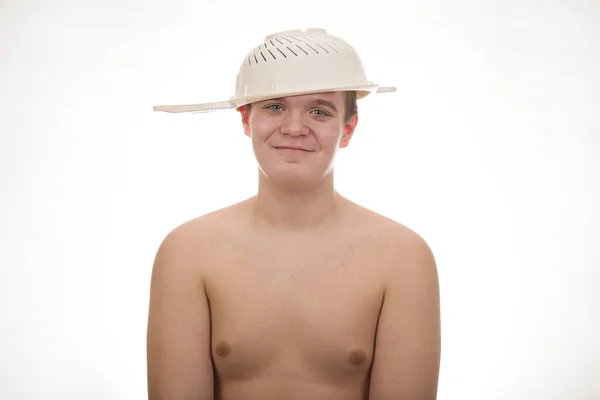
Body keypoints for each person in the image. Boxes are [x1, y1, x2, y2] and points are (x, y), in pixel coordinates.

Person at [146, 28, 441, 400]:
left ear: (347, 129)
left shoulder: (401, 256)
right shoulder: (189, 251)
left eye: (319, 111)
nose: (295, 128)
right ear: (245, 120)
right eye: (274, 106)